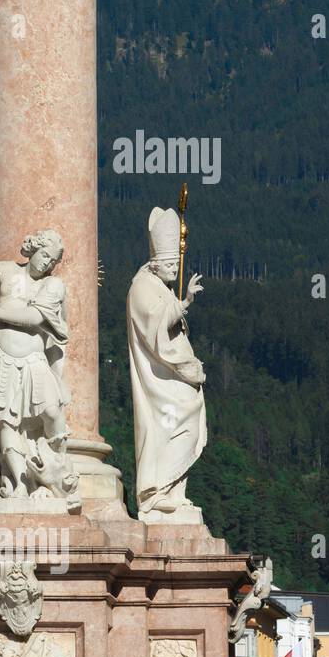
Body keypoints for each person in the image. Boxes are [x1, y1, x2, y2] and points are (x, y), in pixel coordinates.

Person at [0, 216, 74, 499]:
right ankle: (19, 483)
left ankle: (56, 467)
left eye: (52, 261)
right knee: (5, 421)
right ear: (32, 249)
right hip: (0, 357)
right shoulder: (8, 271)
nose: (47, 263)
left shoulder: (52, 286)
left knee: (51, 410)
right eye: (44, 255)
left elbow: (34, 317)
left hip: (33, 359)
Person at [127, 207, 206, 518]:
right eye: (171, 265)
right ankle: (155, 490)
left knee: (184, 419)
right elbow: (153, 324)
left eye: (176, 263)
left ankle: (173, 488)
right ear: (155, 263)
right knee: (173, 422)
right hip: (158, 378)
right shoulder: (141, 287)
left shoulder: (159, 285)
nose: (175, 269)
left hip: (172, 373)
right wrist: (184, 303)